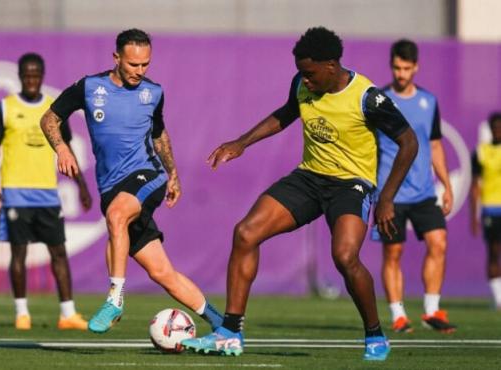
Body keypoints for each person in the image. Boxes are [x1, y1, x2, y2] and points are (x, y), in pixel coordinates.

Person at [181, 27, 418, 361]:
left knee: (345, 257)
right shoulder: (302, 84)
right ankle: (230, 333)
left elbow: (409, 142)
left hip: (351, 185)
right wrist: (241, 143)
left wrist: (388, 198)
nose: (304, 80)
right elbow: (285, 114)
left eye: (310, 74)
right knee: (246, 233)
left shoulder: (367, 97)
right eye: (301, 74)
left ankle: (375, 334)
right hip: (309, 178)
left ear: (332, 66)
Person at [40, 28, 223, 335]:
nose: (140, 71)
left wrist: (173, 175)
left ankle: (114, 299)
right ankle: (224, 324)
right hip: (111, 186)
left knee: (116, 215)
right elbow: (49, 118)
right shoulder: (89, 87)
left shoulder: (153, 93)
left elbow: (159, 134)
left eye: (145, 64)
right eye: (133, 64)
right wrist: (61, 148)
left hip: (147, 175)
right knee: (163, 273)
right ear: (116, 58)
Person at [0, 52, 92, 331]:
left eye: (36, 75)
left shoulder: (53, 110)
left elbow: (65, 150)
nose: (31, 80)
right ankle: (22, 313)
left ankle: (67, 313)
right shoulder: (5, 108)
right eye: (27, 75)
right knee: (18, 253)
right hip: (16, 193)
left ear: (42, 76)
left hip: (47, 193)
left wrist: (81, 184)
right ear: (20, 76)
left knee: (58, 252)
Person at [373, 39, 456, 333]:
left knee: (439, 243)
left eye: (407, 68)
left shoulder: (429, 101)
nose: (401, 73)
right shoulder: (379, 100)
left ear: (416, 67)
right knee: (393, 253)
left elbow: (435, 146)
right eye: (397, 67)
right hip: (390, 194)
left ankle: (432, 311)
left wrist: (446, 184)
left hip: (423, 192)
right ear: (391, 66)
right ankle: (398, 315)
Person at [470, 112, 501, 310]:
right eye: (494, 128)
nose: (497, 131)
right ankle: (499, 299)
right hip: (491, 209)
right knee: (494, 252)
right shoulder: (481, 152)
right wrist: (474, 216)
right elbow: (475, 186)